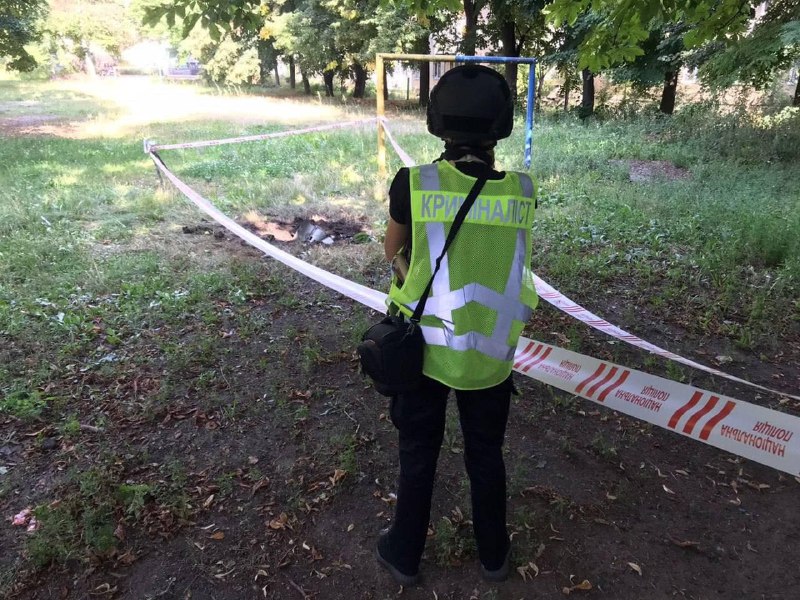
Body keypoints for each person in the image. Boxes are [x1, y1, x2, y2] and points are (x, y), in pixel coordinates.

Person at [376, 64, 538, 586]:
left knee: (418, 451)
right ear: (502, 125)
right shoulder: (521, 192)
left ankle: (404, 553)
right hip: (489, 353)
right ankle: (494, 554)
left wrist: (412, 282)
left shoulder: (414, 183)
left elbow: (392, 251)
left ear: (437, 122)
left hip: (423, 349)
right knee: (486, 454)